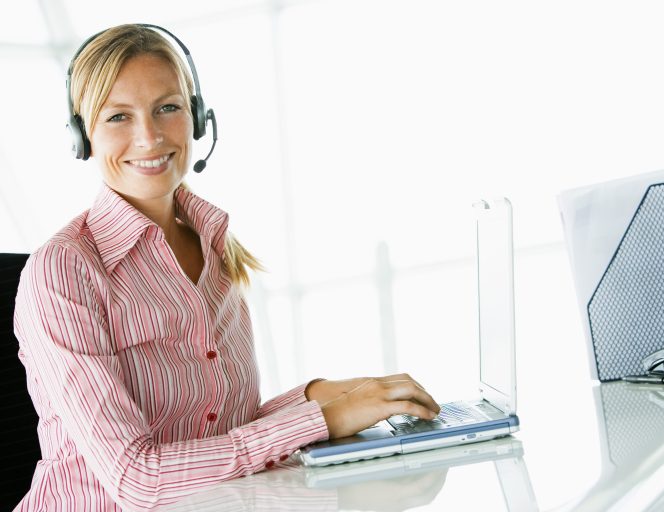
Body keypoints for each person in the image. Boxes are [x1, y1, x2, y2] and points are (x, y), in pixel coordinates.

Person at [13, 23, 440, 511]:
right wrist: (321, 419)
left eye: (167, 108)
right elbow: (137, 479)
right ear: (81, 135)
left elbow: (222, 430)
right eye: (117, 117)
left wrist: (329, 396)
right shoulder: (64, 270)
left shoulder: (212, 244)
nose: (148, 136)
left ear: (197, 118)